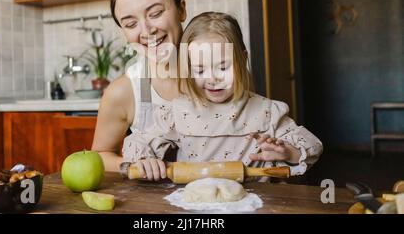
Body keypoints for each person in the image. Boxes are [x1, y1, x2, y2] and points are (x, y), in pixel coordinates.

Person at [122, 12, 323, 181]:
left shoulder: (266, 112)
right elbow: (138, 141)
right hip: (196, 203)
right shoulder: (178, 112)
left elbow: (312, 147)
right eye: (200, 70)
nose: (212, 79)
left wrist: (288, 152)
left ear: (242, 59)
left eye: (223, 67)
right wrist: (145, 160)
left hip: (254, 205)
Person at [91, 0, 187, 177]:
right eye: (131, 24)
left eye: (155, 13)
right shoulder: (123, 92)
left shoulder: (219, 73)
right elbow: (101, 154)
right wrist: (135, 165)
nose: (146, 30)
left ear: (181, 9)